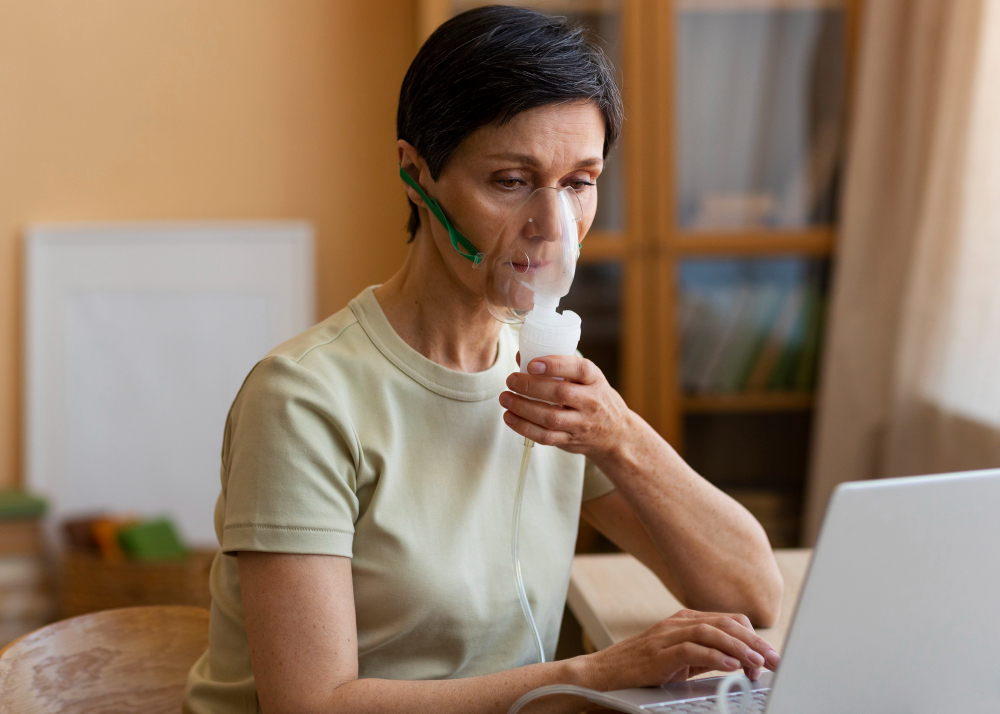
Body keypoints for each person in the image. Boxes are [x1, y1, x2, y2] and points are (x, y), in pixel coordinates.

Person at [183, 6, 783, 714]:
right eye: (510, 180)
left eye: (579, 182)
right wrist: (595, 674)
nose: (551, 227)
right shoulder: (304, 400)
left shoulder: (545, 381)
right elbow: (314, 706)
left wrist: (620, 437)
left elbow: (752, 594)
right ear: (417, 173)